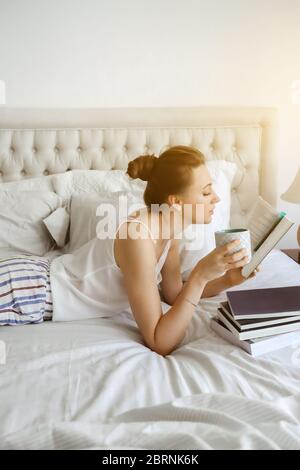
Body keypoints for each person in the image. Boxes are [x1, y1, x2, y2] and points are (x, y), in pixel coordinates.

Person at [0, 145, 260, 356]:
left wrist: (227, 280)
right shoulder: (139, 238)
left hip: (34, 285)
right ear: (176, 202)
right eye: (205, 192)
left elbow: (173, 294)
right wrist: (200, 275)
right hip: (31, 289)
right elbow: (160, 341)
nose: (216, 198)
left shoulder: (169, 231)